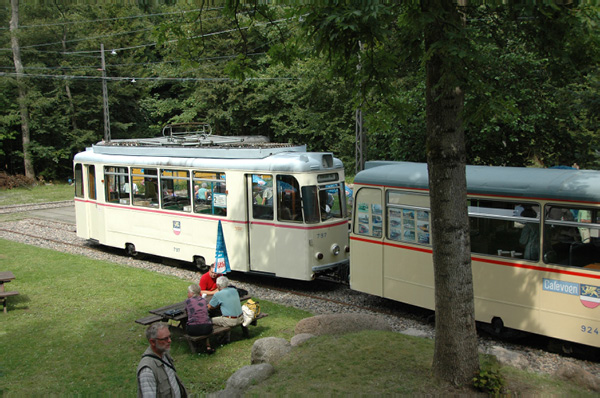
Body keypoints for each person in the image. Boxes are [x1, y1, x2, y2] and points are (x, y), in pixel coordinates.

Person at [137, 322, 188, 398]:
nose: (170, 341)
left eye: (169, 337)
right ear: (152, 342)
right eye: (165, 339)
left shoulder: (164, 354)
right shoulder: (147, 370)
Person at [208, 276, 248, 341]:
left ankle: (220, 337)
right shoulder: (234, 290)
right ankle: (226, 335)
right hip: (241, 318)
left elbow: (210, 307)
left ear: (217, 285)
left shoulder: (218, 294)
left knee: (209, 320)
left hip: (230, 320)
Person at [185, 284, 215, 354]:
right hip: (207, 329)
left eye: (188, 292)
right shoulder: (204, 300)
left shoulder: (188, 301)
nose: (187, 294)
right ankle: (208, 346)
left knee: (190, 323)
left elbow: (187, 313)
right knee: (204, 321)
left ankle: (196, 346)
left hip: (193, 330)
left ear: (192, 293)